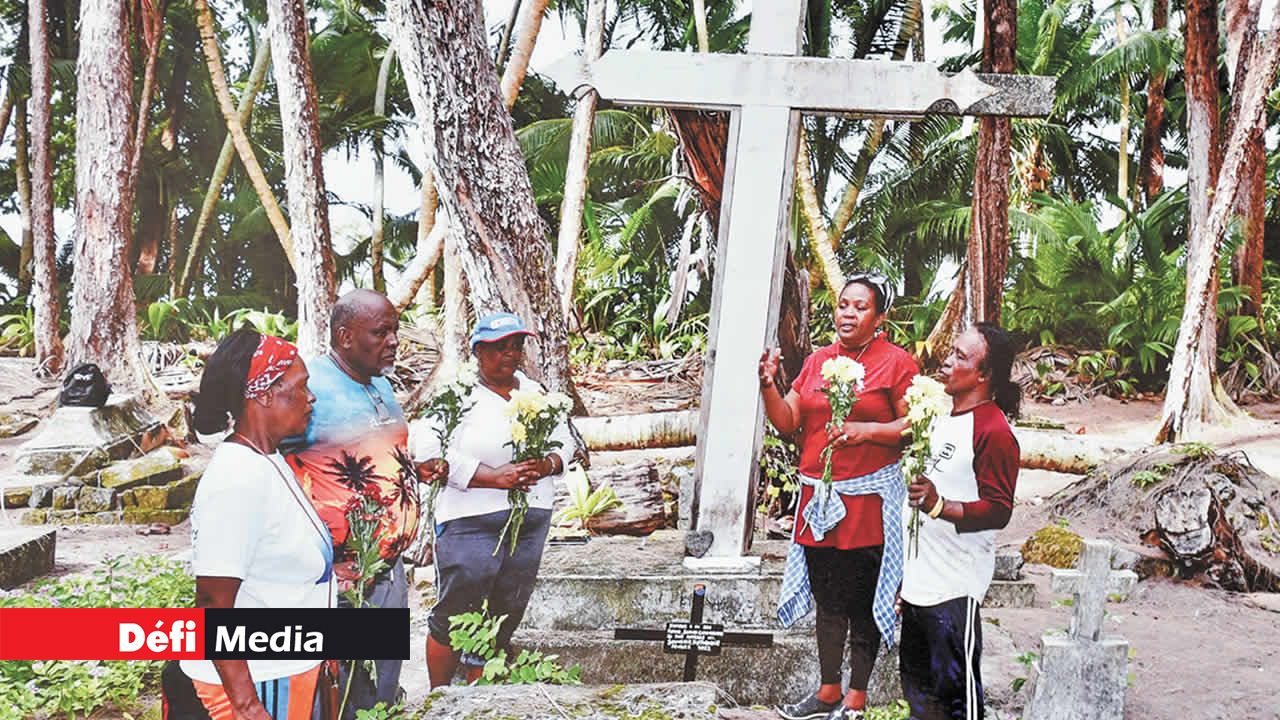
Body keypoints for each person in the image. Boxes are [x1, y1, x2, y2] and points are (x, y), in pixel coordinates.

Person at [283, 289, 446, 718]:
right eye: (381, 332)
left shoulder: (381, 384)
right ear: (345, 336)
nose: (393, 341)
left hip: (388, 568)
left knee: (379, 685)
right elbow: (273, 467)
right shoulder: (310, 389)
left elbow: (375, 450)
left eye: (394, 330)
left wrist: (414, 469)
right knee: (339, 688)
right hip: (341, 576)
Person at [767, 272, 920, 720]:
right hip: (819, 501)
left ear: (880, 318)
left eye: (860, 306)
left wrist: (866, 430)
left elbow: (913, 425)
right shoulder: (818, 361)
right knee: (827, 599)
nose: (848, 313)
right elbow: (789, 419)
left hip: (868, 503)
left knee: (862, 601)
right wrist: (768, 384)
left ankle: (856, 698)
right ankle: (828, 691)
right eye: (843, 305)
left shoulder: (896, 363)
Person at [181, 328, 334, 720]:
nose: (310, 397)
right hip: (258, 682)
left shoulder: (268, 460)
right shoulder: (236, 477)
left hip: (286, 668)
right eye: (301, 386)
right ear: (264, 395)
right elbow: (215, 603)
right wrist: (247, 705)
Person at [423, 312, 573, 688]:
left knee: (506, 607)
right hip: (469, 517)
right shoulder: (455, 394)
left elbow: (567, 443)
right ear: (477, 350)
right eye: (499, 346)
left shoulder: (535, 392)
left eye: (516, 345)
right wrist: (492, 477)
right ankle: (437, 698)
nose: (510, 353)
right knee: (458, 609)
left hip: (529, 516)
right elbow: (428, 452)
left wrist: (547, 463)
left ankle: (479, 695)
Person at [898, 323, 1021, 720]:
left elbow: (999, 509)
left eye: (961, 357)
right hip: (919, 590)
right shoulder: (939, 419)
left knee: (958, 706)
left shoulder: (993, 430)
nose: (947, 362)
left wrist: (940, 505)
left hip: (954, 593)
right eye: (951, 352)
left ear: (984, 376)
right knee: (921, 704)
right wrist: (907, 579)